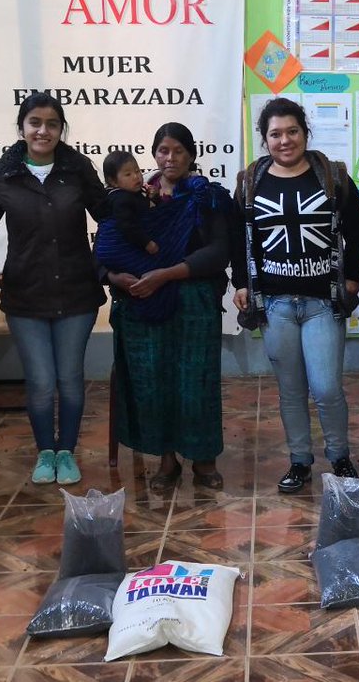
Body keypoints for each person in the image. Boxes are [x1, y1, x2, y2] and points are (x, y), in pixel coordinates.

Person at [0, 93, 108, 487]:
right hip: (26, 294)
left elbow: (107, 214)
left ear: (61, 129)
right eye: (35, 123)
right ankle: (46, 451)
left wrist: (139, 203)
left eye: (51, 123)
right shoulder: (5, 171)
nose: (43, 130)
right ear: (22, 127)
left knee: (70, 379)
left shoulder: (77, 167)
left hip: (76, 292)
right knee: (42, 381)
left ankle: (68, 452)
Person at [232, 97, 359, 494]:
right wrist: (242, 282)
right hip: (275, 305)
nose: (285, 140)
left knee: (326, 387)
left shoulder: (332, 177)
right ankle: (299, 460)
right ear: (265, 139)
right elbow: (240, 240)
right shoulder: (249, 183)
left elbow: (358, 232)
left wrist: (353, 280)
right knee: (290, 390)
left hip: (322, 303)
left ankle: (339, 456)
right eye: (275, 134)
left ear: (305, 133)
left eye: (293, 131)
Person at [104, 123, 231, 492]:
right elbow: (108, 245)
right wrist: (114, 277)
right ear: (154, 153)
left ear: (191, 154)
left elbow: (218, 252)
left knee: (196, 381)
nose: (169, 157)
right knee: (154, 382)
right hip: (143, 303)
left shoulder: (208, 197)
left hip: (193, 300)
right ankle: (166, 459)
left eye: (177, 150)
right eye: (162, 150)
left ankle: (204, 459)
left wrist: (166, 274)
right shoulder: (136, 197)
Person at [102, 150, 159, 255]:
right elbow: (127, 226)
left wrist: (153, 197)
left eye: (137, 171)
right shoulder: (119, 199)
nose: (136, 176)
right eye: (128, 174)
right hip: (125, 250)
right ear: (113, 181)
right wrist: (146, 243)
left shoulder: (135, 192)